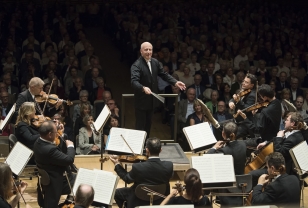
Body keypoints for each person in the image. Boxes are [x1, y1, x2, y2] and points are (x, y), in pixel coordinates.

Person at [131, 42, 185, 137]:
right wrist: (143, 88)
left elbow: (164, 74)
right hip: (141, 101)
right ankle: (139, 148)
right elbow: (134, 82)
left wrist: (175, 82)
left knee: (148, 125)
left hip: (151, 101)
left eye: (150, 50)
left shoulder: (155, 62)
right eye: (146, 50)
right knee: (140, 126)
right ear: (141, 51)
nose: (148, 52)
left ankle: (146, 146)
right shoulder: (136, 65)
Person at [109, 137, 173, 208]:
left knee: (116, 193)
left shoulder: (138, 167)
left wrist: (117, 164)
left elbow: (127, 179)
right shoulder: (169, 166)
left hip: (138, 199)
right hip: (160, 199)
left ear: (147, 150)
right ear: (160, 150)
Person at [33, 121, 75, 208]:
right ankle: (70, 203)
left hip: (48, 177)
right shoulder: (49, 150)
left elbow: (57, 152)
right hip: (57, 180)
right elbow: (69, 160)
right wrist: (70, 146)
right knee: (82, 179)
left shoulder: (38, 142)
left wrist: (61, 135)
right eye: (55, 132)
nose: (57, 134)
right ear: (49, 134)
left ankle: (68, 201)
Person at [206, 121, 246, 206]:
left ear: (223, 133)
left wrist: (214, 148)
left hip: (227, 189)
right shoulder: (243, 145)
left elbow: (207, 158)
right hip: (241, 187)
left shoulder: (223, 151)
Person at [229, 73, 257, 139]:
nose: (243, 83)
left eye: (246, 82)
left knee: (231, 136)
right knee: (218, 126)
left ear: (252, 85)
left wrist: (238, 101)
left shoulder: (252, 95)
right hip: (236, 120)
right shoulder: (243, 91)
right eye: (244, 81)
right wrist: (231, 102)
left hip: (245, 123)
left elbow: (246, 109)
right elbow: (233, 99)